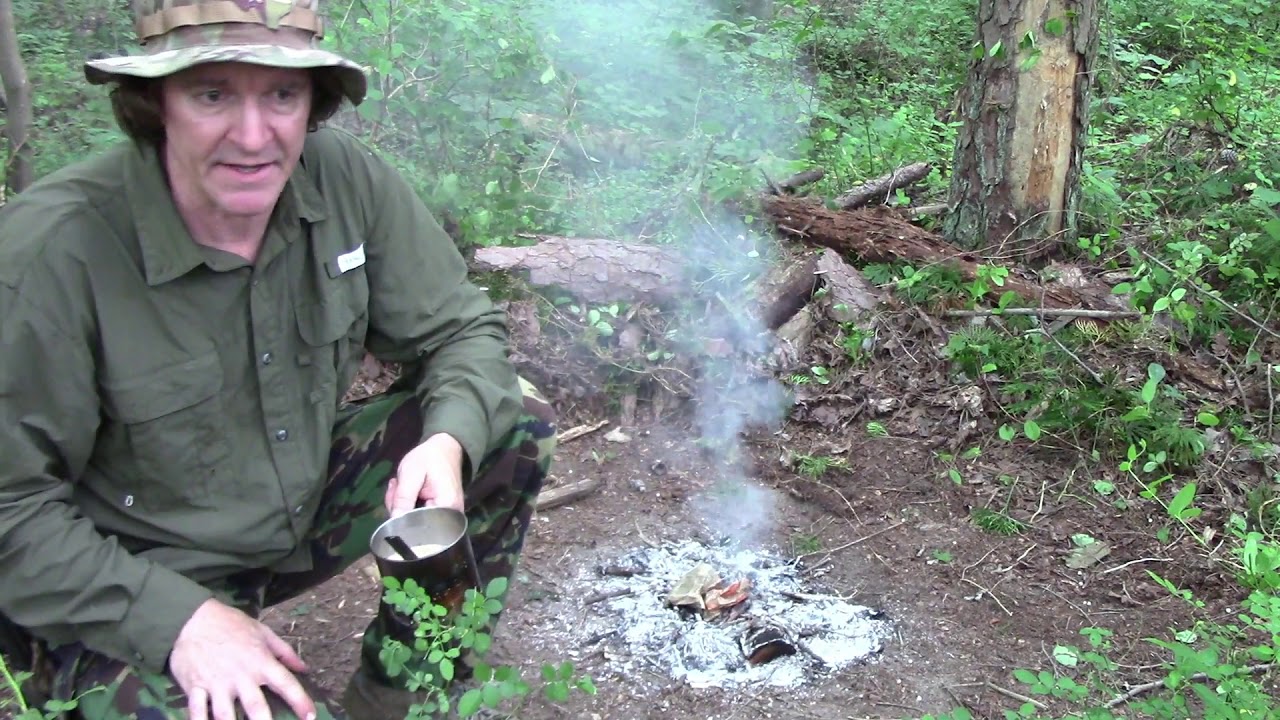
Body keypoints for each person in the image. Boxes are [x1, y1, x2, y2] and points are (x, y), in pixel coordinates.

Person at [0, 1, 557, 718]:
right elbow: (11, 510)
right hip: (127, 576)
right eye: (212, 94)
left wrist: (447, 442)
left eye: (282, 95)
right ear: (153, 101)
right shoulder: (53, 251)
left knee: (508, 422)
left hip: (291, 505)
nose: (254, 135)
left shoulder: (342, 181)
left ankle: (402, 699)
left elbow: (461, 332)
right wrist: (178, 620)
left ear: (313, 102)